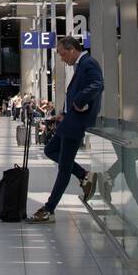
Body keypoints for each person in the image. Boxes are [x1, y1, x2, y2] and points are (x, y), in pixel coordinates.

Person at [27, 36, 103, 223]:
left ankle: (49, 209)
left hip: (76, 123)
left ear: (71, 50)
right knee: (50, 150)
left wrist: (78, 103)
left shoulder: (88, 63)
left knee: (64, 168)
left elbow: (97, 84)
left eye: (62, 54)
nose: (61, 59)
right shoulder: (82, 65)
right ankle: (84, 175)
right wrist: (63, 113)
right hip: (70, 120)